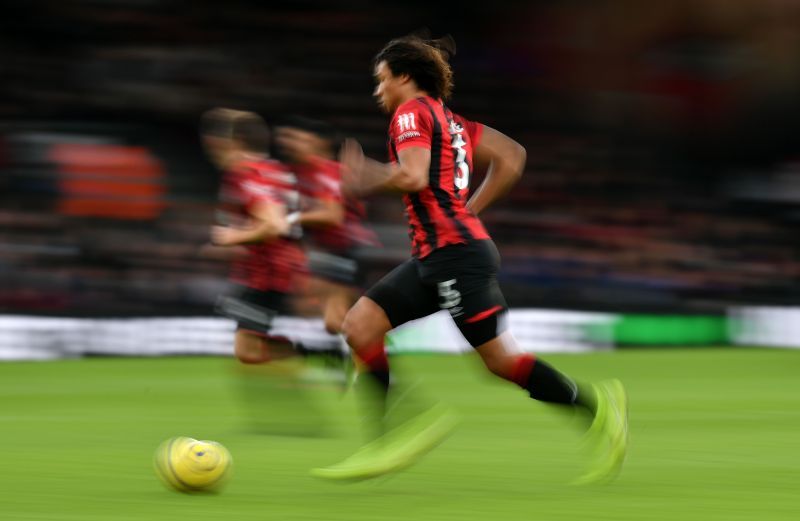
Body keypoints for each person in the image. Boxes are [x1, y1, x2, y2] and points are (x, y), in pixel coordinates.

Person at [311, 34, 628, 483]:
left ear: (405, 76)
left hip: (454, 257)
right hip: (440, 254)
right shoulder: (453, 121)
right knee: (361, 324)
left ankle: (595, 409)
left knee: (500, 362)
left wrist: (365, 178)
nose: (378, 90)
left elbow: (412, 175)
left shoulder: (411, 113)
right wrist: (469, 211)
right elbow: (512, 156)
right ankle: (391, 434)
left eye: (382, 80)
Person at [200, 108, 305, 365]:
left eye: (216, 141)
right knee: (244, 338)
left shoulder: (246, 174)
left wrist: (232, 237)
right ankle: (319, 356)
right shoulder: (274, 169)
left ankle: (323, 356)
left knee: (247, 350)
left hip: (267, 271)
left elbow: (274, 226)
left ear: (232, 141)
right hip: (275, 268)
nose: (211, 148)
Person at [275, 116, 379, 356]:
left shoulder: (326, 172)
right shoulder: (302, 173)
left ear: (318, 143)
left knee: (324, 309)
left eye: (298, 139)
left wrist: (290, 219)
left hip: (347, 249)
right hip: (331, 251)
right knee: (335, 321)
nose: (290, 144)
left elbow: (332, 215)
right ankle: (365, 353)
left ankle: (364, 357)